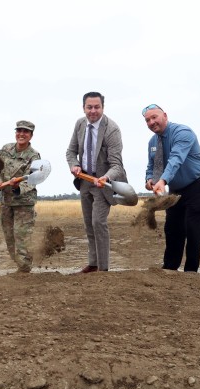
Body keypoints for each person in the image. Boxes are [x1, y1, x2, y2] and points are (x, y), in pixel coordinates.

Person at [142, 104, 200, 272]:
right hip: (175, 191)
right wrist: (150, 179)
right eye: (147, 120)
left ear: (165, 116)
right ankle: (169, 268)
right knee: (172, 228)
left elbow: (176, 159)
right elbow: (151, 166)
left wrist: (163, 180)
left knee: (193, 228)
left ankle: (190, 271)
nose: (151, 122)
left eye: (154, 117)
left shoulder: (182, 133)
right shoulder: (152, 142)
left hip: (198, 185)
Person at [66, 92, 127, 273]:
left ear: (103, 107)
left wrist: (106, 177)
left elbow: (117, 165)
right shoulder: (80, 124)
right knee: (88, 223)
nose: (93, 111)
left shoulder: (112, 129)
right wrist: (75, 165)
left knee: (98, 223)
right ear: (83, 107)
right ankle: (93, 264)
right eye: (89, 107)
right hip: (84, 180)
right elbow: (70, 152)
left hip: (103, 183)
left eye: (97, 107)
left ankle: (103, 269)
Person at [0, 120, 41, 274]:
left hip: (24, 203)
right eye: (19, 131)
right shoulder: (6, 149)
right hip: (6, 202)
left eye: (25, 132)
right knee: (9, 236)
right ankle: (20, 265)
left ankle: (24, 268)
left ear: (31, 135)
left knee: (22, 236)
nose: (21, 134)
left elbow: (34, 179)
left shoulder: (34, 156)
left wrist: (17, 186)